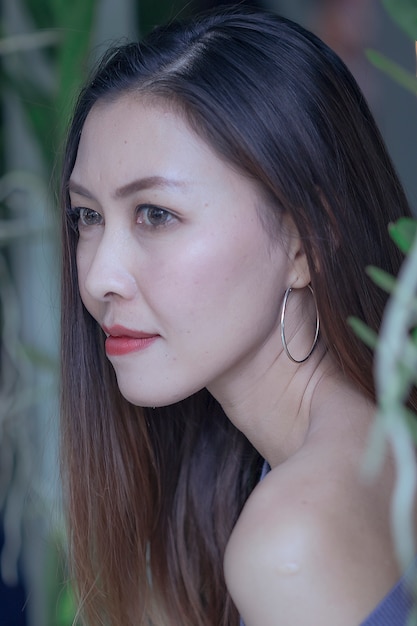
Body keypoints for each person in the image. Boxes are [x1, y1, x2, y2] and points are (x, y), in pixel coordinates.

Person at [60, 6, 417, 626]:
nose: (98, 278)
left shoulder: (290, 541)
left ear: (307, 240)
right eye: (88, 216)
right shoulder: (368, 442)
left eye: (155, 214)